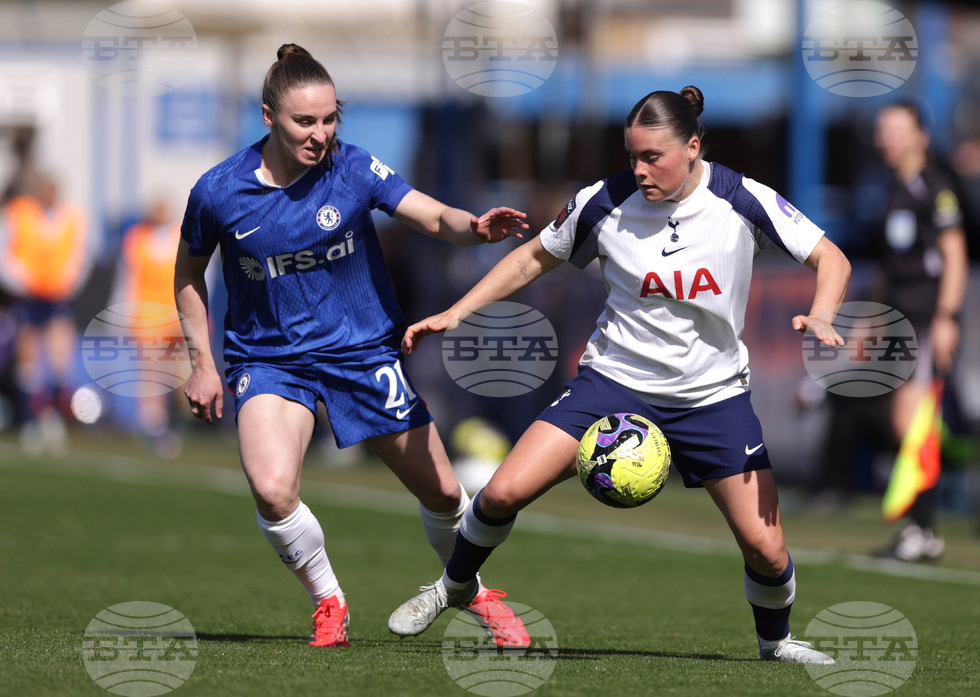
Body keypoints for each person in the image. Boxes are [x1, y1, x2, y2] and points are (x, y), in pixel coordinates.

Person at [388, 87, 852, 665]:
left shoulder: (741, 198)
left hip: (711, 397)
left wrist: (823, 313)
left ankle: (775, 642)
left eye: (653, 157)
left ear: (693, 147)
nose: (639, 170)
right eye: (632, 156)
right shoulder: (603, 201)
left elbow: (832, 257)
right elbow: (532, 257)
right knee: (502, 491)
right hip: (612, 383)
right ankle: (453, 587)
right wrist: (457, 312)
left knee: (766, 548)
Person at [175, 44, 532, 648]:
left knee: (445, 493)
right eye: (304, 122)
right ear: (268, 117)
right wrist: (202, 363)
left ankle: (471, 592)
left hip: (362, 354)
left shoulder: (353, 168)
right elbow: (187, 274)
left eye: (329, 118)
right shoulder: (218, 191)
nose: (320, 134)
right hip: (269, 359)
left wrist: (473, 228)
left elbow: (431, 215)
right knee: (272, 489)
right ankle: (328, 600)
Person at [872, 102, 968, 561]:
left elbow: (955, 255)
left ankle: (923, 530)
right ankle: (918, 527)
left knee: (915, 422)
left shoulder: (936, 188)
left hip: (927, 320)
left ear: (921, 137)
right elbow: (893, 267)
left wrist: (947, 317)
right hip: (901, 321)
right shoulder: (894, 189)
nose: (886, 138)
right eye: (882, 130)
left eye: (896, 129)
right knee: (903, 422)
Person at [0, 173, 90, 453]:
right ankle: (30, 418)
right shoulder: (19, 213)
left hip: (57, 295)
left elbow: (79, 256)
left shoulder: (72, 216)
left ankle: (51, 415)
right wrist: (21, 281)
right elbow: (5, 252)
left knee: (59, 357)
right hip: (27, 295)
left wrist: (66, 283)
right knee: (28, 358)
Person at [111, 197, 184, 457]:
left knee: (178, 375)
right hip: (148, 316)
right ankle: (154, 425)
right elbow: (127, 279)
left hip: (176, 315)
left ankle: (172, 420)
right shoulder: (136, 238)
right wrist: (123, 313)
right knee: (152, 374)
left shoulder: (181, 237)